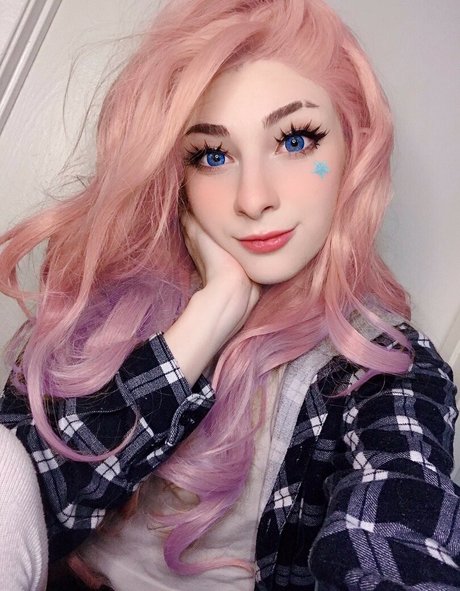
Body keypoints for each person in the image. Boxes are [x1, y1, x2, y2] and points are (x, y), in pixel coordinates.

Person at [0, 0, 459, 589]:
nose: (253, 198)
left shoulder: (386, 368)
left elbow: (397, 539)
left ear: (353, 147)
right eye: (213, 156)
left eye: (295, 141)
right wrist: (208, 318)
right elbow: (21, 505)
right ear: (177, 175)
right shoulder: (106, 309)